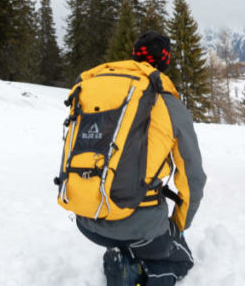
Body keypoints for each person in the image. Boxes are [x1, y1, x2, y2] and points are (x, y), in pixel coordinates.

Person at [67, 31, 206, 286]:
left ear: (134, 57)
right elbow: (193, 177)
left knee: (133, 238)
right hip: (141, 226)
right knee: (180, 260)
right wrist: (178, 224)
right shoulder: (167, 102)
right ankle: (134, 273)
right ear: (165, 62)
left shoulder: (99, 94)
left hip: (87, 221)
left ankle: (121, 257)